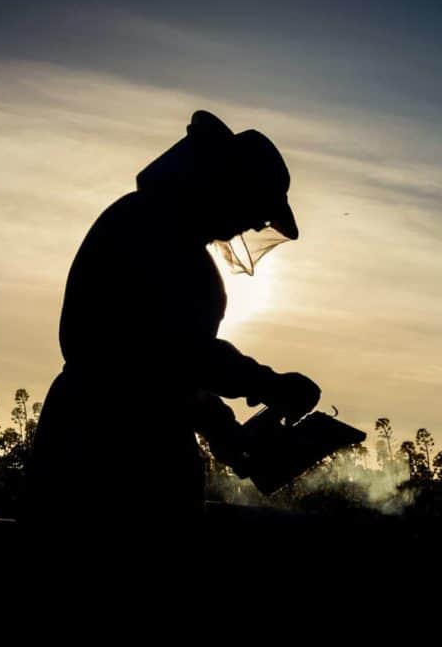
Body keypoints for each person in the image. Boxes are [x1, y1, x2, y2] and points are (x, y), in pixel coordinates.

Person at [26, 110, 321, 531]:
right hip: (105, 450)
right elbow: (174, 354)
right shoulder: (147, 229)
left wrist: (225, 434)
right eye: (252, 209)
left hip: (111, 438)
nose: (251, 224)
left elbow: (168, 376)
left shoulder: (156, 228)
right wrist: (268, 384)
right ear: (225, 184)